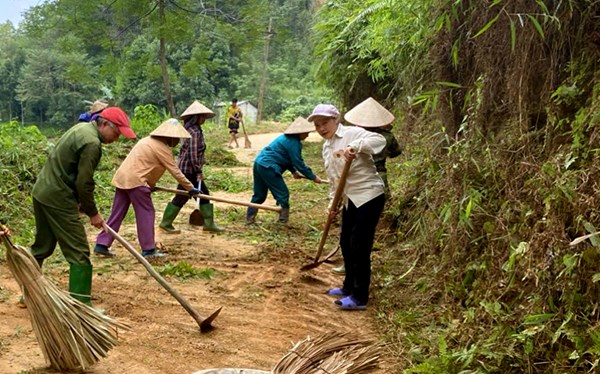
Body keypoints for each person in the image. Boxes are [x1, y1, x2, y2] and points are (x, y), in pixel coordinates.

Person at [30, 107, 136, 307]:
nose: (116, 139)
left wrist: (80, 204)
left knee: (42, 246)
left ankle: (28, 295)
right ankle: (81, 307)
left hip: (42, 191)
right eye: (116, 133)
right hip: (58, 198)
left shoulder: (81, 129)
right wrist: (93, 213)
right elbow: (84, 182)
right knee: (79, 252)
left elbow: (70, 170)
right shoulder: (92, 144)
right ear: (104, 124)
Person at [308, 104, 386, 310]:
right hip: (349, 199)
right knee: (345, 242)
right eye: (317, 125)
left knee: (359, 245)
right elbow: (335, 180)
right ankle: (348, 286)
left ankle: (360, 297)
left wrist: (355, 147)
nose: (321, 128)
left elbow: (380, 140)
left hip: (369, 195)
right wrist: (333, 204)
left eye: (325, 123)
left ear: (336, 120)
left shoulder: (352, 133)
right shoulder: (327, 147)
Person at [94, 119, 201, 258]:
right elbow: (175, 171)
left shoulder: (146, 141)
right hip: (136, 182)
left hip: (123, 179)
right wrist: (190, 188)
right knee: (146, 213)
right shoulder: (162, 148)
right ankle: (148, 249)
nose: (177, 141)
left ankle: (101, 244)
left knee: (116, 214)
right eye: (177, 138)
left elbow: (143, 165)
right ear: (170, 137)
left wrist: (150, 185)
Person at [331, 97, 401, 275]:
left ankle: (354, 266)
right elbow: (396, 154)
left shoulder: (357, 135)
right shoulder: (386, 135)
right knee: (357, 226)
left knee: (359, 230)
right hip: (376, 175)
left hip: (364, 180)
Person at [159, 100, 223, 234]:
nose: (204, 119)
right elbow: (193, 154)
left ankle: (208, 223)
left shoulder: (191, 129)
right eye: (202, 116)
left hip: (187, 168)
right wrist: (198, 171)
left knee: (200, 195)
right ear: (196, 117)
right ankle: (166, 223)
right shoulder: (194, 132)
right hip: (189, 170)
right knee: (186, 196)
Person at [246, 116, 324, 224]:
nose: (307, 135)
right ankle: (283, 221)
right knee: (283, 194)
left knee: (259, 195)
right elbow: (298, 163)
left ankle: (249, 219)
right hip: (269, 166)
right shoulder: (294, 143)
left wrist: (293, 171)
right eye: (306, 133)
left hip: (259, 163)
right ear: (299, 132)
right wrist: (313, 177)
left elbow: (286, 158)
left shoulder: (284, 138)